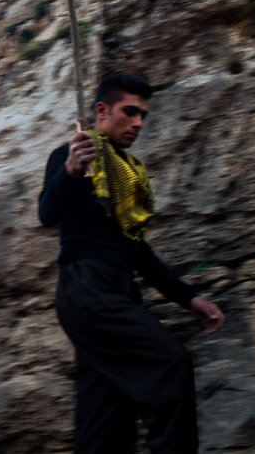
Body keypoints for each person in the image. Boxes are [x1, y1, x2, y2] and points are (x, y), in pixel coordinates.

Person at [39, 74, 225, 453]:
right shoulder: (73, 154)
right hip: (86, 288)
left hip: (117, 290)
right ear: (102, 111)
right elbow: (47, 213)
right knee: (171, 365)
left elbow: (138, 250)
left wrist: (190, 299)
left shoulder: (128, 174)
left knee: (106, 422)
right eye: (130, 112)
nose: (139, 122)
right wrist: (71, 170)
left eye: (143, 114)